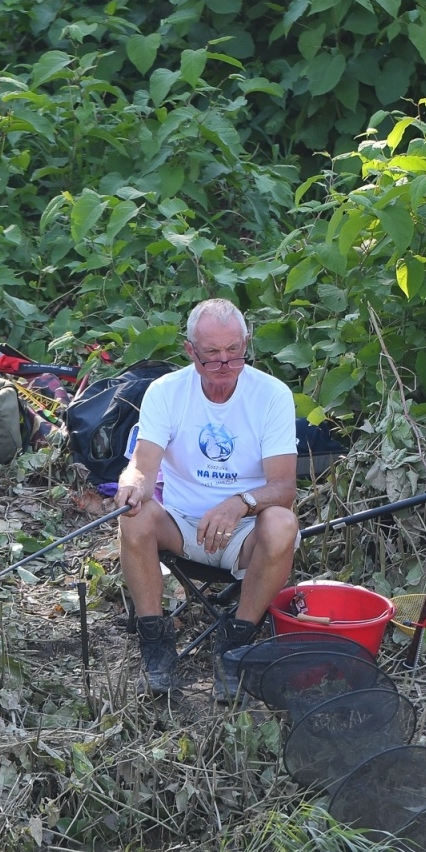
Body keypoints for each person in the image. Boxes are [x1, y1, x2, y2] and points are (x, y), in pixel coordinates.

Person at [115, 298, 300, 700]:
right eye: (211, 356)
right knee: (133, 517)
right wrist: (131, 483)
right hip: (181, 524)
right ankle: (155, 643)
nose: (224, 367)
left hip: (245, 534)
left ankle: (236, 642)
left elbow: (284, 488)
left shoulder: (272, 395)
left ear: (246, 343)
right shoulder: (166, 391)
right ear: (190, 351)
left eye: (234, 353)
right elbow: (142, 465)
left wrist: (240, 502)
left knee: (283, 523)